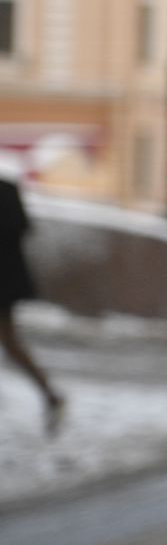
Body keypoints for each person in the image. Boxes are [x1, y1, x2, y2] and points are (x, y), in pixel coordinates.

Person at [0, 170, 65, 432]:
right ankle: (50, 394)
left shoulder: (6, 191)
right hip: (7, 283)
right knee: (12, 344)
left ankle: (50, 394)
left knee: (11, 343)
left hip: (3, 283)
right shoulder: (8, 190)